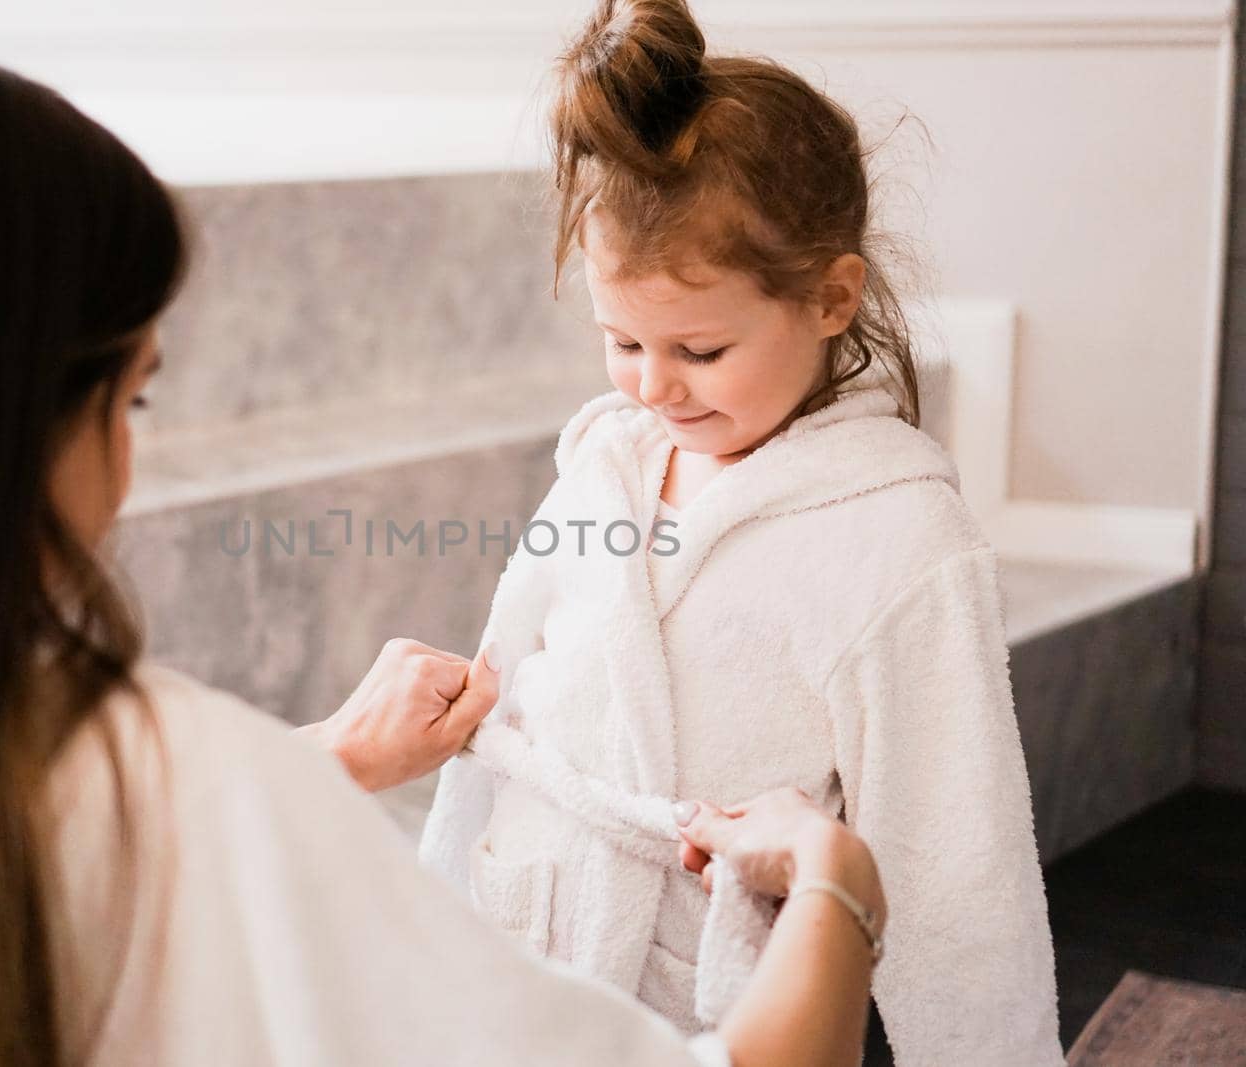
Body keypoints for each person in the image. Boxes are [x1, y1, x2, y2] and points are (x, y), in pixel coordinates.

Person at [0, 33, 884, 1067]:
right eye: (129, 400)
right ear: (1, 424)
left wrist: (327, 758)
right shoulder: (176, 781)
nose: (130, 465)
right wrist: (834, 884)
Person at [419, 1, 1064, 1063]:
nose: (651, 383)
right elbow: (529, 665)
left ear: (828, 297)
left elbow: (955, 860)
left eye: (700, 349)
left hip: (706, 987)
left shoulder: (897, 539)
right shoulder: (609, 461)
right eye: (620, 339)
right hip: (528, 930)